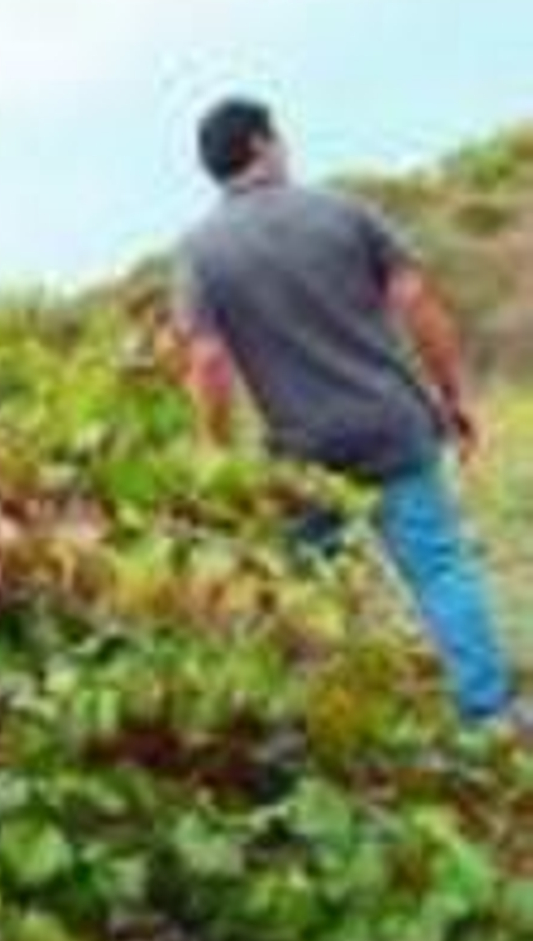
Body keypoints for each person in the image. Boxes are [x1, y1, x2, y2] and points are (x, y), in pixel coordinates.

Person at [174, 96, 518, 727]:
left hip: (302, 454)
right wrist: (451, 397)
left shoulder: (199, 253)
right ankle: (492, 717)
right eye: (277, 135)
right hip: (392, 426)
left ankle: (331, 733)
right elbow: (416, 301)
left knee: (307, 597)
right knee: (440, 570)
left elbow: (207, 363)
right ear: (261, 145)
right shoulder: (342, 210)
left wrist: (218, 460)